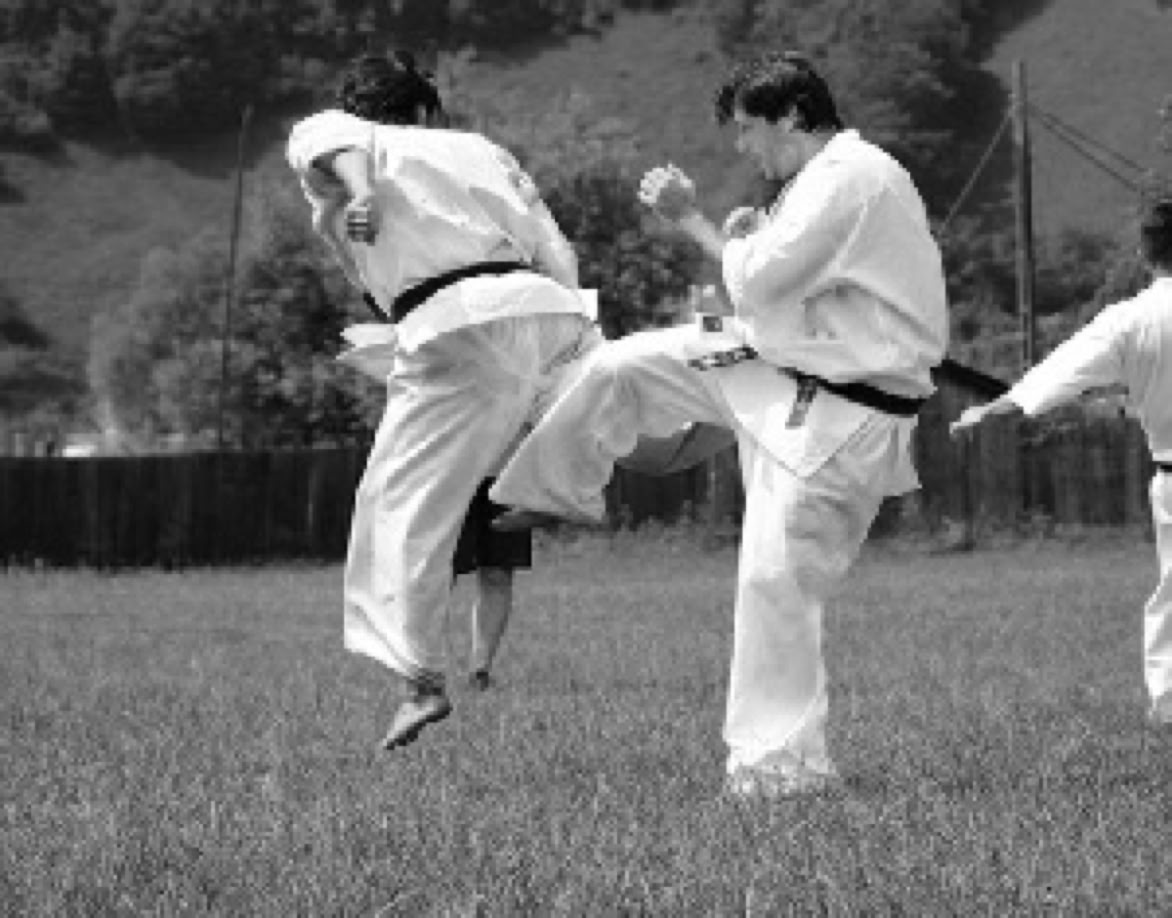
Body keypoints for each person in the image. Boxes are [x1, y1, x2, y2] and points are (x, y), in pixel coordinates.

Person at [491, 51, 949, 798]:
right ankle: (560, 486)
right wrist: (748, 232)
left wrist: (695, 220)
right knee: (621, 366)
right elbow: (774, 275)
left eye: (748, 129)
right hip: (782, 369)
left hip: (843, 412)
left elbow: (762, 278)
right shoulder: (825, 181)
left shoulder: (852, 176)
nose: (742, 146)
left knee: (775, 584)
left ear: (794, 117)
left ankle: (780, 773)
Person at [286, 51, 601, 750]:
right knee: (523, 422)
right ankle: (567, 475)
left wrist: (362, 194)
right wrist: (576, 335)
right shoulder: (480, 148)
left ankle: (420, 682)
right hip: (539, 308)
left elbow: (338, 151)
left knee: (397, 505)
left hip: (451, 322)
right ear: (427, 110)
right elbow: (552, 244)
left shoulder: (335, 133)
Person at [951, 197, 1172, 726]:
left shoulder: (1131, 319)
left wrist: (998, 407)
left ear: (1145, 252)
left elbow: (1060, 371)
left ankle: (1168, 702)